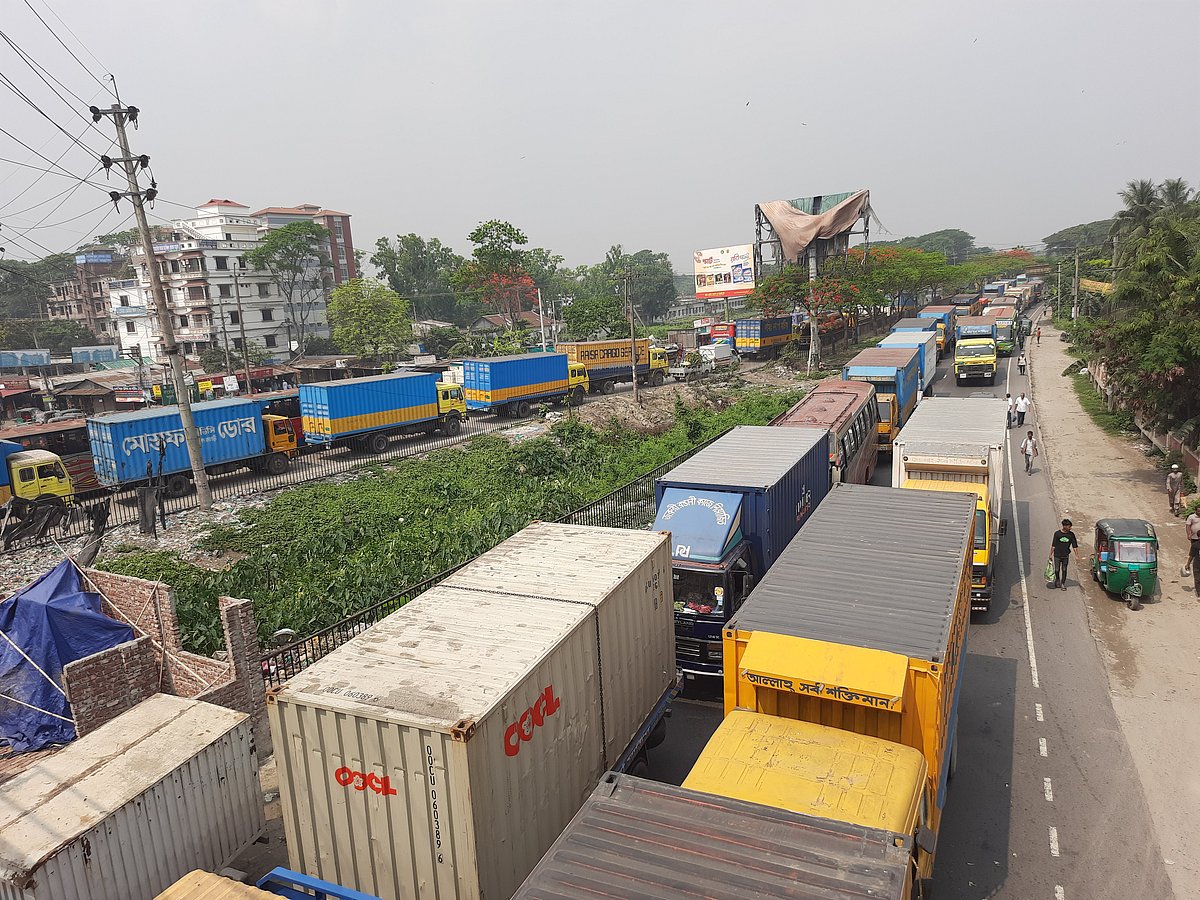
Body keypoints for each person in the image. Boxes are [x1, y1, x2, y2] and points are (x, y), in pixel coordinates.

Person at [1049, 518, 1081, 590]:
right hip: (1057, 555)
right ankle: (1057, 579)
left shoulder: (1071, 535)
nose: (1070, 528)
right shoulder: (1057, 533)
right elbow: (1053, 545)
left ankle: (1063, 583)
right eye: (1069, 526)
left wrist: (1076, 555)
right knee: (1057, 569)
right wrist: (1050, 554)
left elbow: (1074, 546)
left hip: (1065, 555)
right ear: (1064, 526)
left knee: (1064, 569)